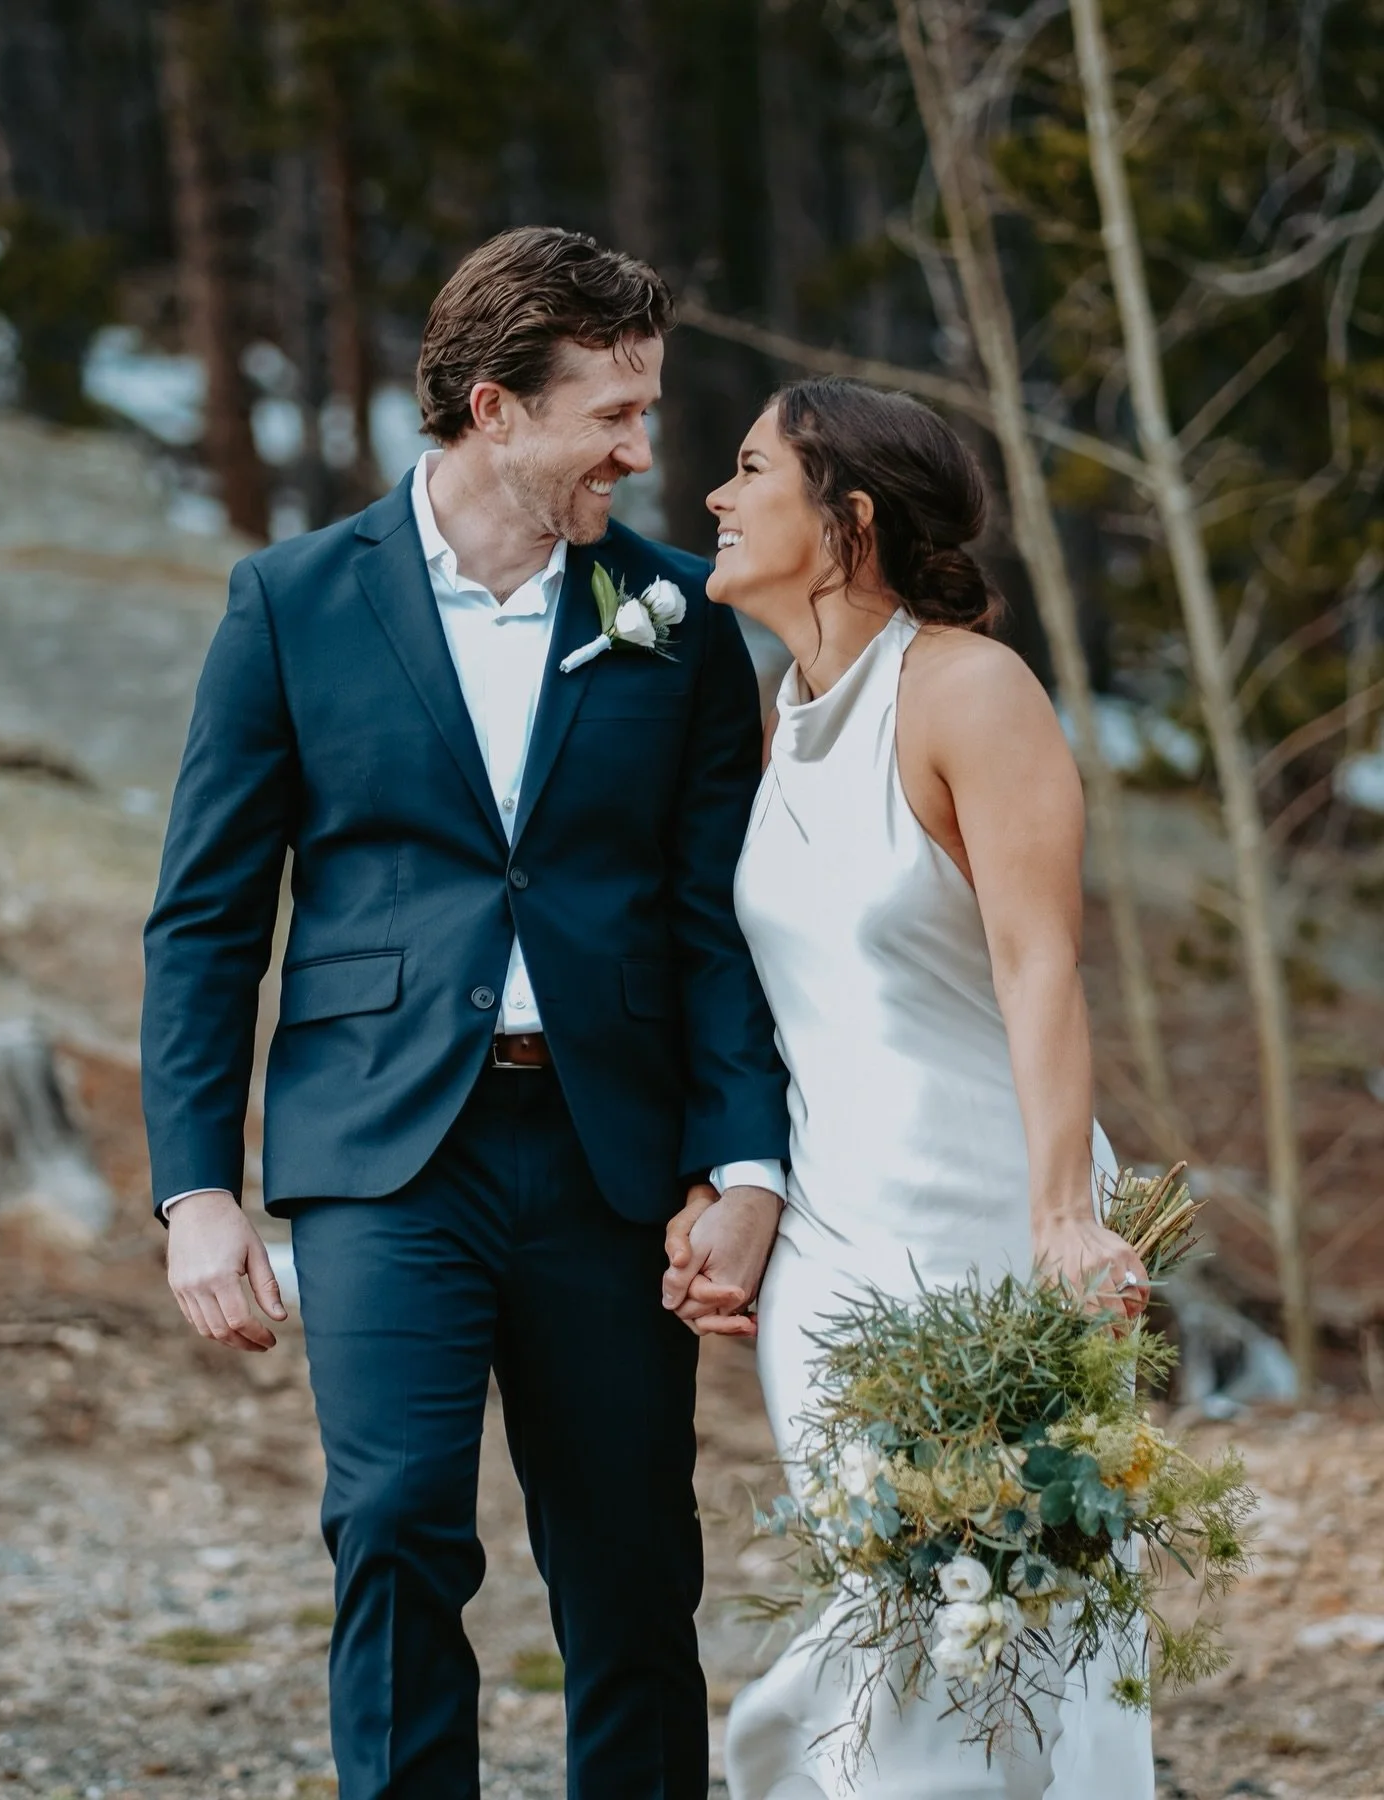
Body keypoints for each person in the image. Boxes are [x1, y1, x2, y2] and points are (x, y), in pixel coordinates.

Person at [140, 226, 791, 1800]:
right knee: (395, 1531)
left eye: (650, 412)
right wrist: (197, 1189)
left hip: (608, 1158)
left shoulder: (680, 619)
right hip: (381, 1151)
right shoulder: (294, 600)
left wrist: (747, 1166)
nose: (646, 454)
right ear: (495, 410)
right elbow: (209, 917)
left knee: (635, 1566)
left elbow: (713, 924)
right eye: (614, 415)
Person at [664, 378, 1155, 1799]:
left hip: (989, 1229)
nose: (714, 494)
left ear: (848, 520)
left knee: (1001, 1623)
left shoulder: (970, 689)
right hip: (830, 1248)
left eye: (750, 469)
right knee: (891, 1598)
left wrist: (1065, 1217)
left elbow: (1040, 962)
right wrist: (731, 1182)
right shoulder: (782, 712)